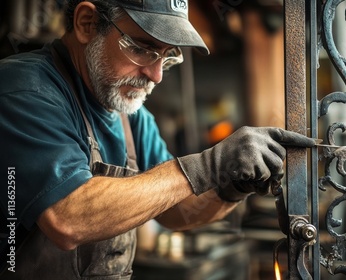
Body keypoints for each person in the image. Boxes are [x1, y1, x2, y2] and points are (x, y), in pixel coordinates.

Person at [0, 0, 314, 278]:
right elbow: (68, 218)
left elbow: (173, 210)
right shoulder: (24, 89)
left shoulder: (131, 116)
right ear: (87, 24)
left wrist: (230, 185)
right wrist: (207, 164)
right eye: (141, 48)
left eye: (167, 57)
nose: (157, 75)